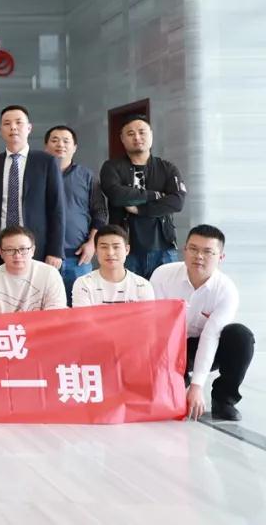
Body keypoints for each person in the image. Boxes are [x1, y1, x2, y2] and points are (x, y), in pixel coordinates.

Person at [151, 225, 255, 421]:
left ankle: (224, 399)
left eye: (208, 252)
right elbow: (155, 327)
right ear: (185, 250)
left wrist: (197, 386)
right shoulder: (162, 275)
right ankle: (177, 381)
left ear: (220, 257)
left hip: (205, 346)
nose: (199, 256)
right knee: (166, 402)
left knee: (240, 336)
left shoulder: (226, 290)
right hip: (168, 345)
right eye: (193, 249)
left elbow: (210, 337)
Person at [0, 105, 65, 273]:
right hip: (0, 247)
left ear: (29, 128)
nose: (13, 127)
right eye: (7, 123)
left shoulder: (46, 162)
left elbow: (57, 208)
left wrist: (55, 251)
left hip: (36, 247)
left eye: (19, 122)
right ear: (0, 130)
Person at [100, 114, 186, 279]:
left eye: (142, 132)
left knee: (164, 294)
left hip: (163, 249)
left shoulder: (167, 168)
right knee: (128, 294)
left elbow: (177, 201)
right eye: (130, 133)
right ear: (122, 139)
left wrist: (141, 210)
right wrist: (155, 195)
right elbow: (116, 195)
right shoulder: (112, 167)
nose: (137, 137)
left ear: (151, 135)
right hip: (126, 250)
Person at [45, 124, 108, 302]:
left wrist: (92, 243)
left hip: (79, 257)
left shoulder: (87, 176)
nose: (60, 144)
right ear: (46, 147)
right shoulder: (38, 175)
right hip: (45, 257)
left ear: (74, 147)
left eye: (66, 141)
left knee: (81, 308)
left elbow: (100, 212)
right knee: (48, 309)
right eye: (55, 140)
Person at [0, 227, 67, 314]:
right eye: (9, 250)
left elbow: (56, 316)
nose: (17, 255)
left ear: (33, 250)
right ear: (1, 253)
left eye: (23, 249)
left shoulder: (50, 274)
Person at [71, 225, 154, 307]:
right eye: (104, 247)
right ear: (96, 251)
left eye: (116, 247)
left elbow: (147, 316)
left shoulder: (142, 286)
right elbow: (83, 316)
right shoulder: (84, 284)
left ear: (127, 250)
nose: (110, 253)